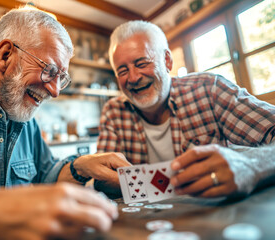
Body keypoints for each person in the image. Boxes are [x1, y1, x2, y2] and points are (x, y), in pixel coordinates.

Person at [0, 7, 131, 239]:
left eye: (62, 78)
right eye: (50, 70)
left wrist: (80, 166)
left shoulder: (23, 116)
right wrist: (1, 209)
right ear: (6, 55)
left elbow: (46, 176)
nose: (55, 91)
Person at [97, 20, 275, 199]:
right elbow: (101, 180)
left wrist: (250, 165)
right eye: (122, 71)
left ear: (167, 61)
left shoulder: (209, 88)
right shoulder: (113, 112)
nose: (133, 78)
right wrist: (170, 184)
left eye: (142, 63)